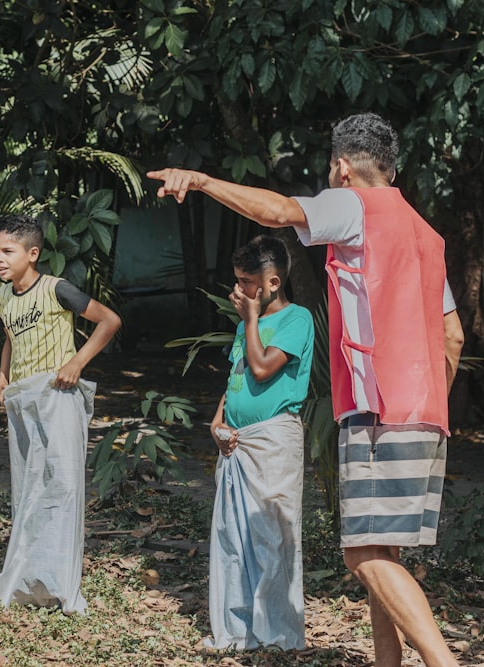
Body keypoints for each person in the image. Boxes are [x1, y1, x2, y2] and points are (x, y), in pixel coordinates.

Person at [148, 112, 465, 667]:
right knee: (382, 550)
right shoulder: (426, 234)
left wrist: (198, 181)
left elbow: (276, 211)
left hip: (379, 409)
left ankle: (445, 663)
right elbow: (454, 336)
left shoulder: (356, 204)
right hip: (424, 410)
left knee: (362, 555)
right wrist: (427, 400)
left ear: (343, 166)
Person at [0, 213, 121, 615]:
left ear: (32, 254)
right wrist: (2, 375)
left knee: (63, 486)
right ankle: (27, 574)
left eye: (8, 251)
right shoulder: (1, 297)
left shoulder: (57, 289)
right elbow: (9, 338)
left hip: (59, 396)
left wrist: (77, 363)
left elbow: (109, 320)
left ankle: (60, 582)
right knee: (28, 490)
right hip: (22, 399)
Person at [206, 235, 314, 652]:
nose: (238, 291)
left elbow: (263, 367)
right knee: (233, 537)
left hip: (273, 440)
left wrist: (251, 320)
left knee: (272, 536)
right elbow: (237, 374)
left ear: (271, 283)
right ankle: (238, 632)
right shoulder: (242, 325)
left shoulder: (297, 319)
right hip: (236, 442)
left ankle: (278, 636)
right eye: (236, 280)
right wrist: (218, 420)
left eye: (246, 282)